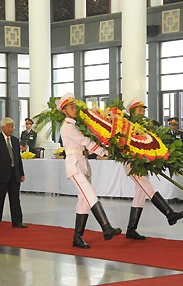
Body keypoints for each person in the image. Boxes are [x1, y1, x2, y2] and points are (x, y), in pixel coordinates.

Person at [58, 93, 120, 249]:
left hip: (82, 164)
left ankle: (77, 238)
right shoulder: (67, 126)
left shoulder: (75, 125)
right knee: (90, 194)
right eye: (70, 107)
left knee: (84, 202)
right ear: (64, 111)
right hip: (74, 165)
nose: (74, 109)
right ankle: (106, 227)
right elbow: (84, 141)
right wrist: (103, 152)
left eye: (74, 106)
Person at [120, 98, 183, 241]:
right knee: (147, 187)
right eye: (139, 110)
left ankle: (131, 229)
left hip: (142, 163)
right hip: (133, 163)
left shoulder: (144, 126)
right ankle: (169, 213)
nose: (143, 112)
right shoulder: (126, 125)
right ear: (132, 111)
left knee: (140, 196)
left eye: (144, 110)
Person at [0, 117, 27, 229]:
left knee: (15, 198)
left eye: (12, 126)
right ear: (3, 127)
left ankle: (17, 221)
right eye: (9, 126)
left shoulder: (15, 140)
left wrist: (21, 173)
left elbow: (18, 158)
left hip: (14, 174)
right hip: (1, 174)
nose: (11, 129)